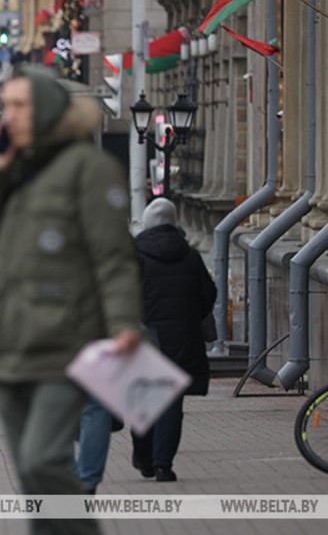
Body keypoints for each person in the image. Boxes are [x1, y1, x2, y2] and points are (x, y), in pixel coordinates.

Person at [0, 65, 142, 535]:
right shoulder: (10, 170)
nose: (10, 115)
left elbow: (114, 257)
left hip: (68, 342)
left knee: (45, 460)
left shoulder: (89, 169)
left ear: (45, 109)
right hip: (12, 345)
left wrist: (124, 323)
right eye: (6, 106)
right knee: (32, 479)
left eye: (20, 105)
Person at [131, 197, 215, 482]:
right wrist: (190, 317)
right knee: (171, 403)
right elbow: (208, 295)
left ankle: (143, 456)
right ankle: (163, 464)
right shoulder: (191, 256)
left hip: (144, 338)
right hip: (182, 338)